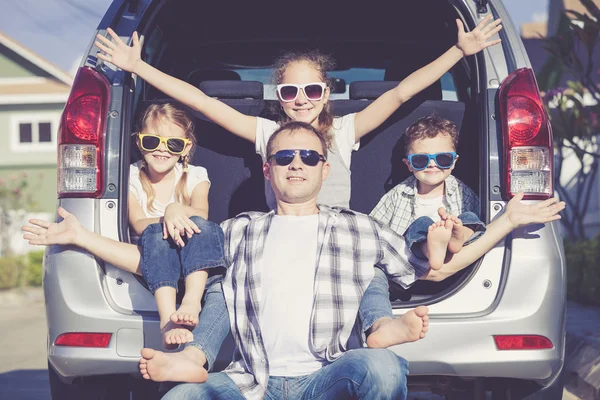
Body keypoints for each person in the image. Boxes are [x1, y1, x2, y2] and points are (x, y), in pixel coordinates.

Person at [24, 122, 565, 400]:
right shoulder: (236, 231)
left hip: (326, 377)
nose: (297, 164)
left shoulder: (360, 227)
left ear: (324, 167)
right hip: (247, 382)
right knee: (184, 395)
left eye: (308, 156)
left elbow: (437, 269)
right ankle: (195, 363)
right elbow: (148, 259)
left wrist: (509, 222)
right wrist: (78, 235)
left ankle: (381, 334)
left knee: (381, 365)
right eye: (285, 156)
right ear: (268, 168)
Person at [93, 14, 504, 348]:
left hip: (339, 243)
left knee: (371, 275)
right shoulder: (266, 134)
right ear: (279, 96)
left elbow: (399, 95)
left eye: (311, 89)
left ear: (326, 93)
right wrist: (138, 67)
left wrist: (458, 51)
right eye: (290, 91)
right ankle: (196, 347)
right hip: (280, 243)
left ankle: (382, 327)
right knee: (229, 278)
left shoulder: (343, 132)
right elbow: (202, 102)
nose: (301, 98)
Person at [128, 103, 225, 348]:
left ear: (185, 148)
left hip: (192, 251)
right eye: (152, 141)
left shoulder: (195, 176)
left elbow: (201, 212)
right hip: (155, 250)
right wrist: (166, 218)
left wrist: (175, 209)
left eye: (173, 144)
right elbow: (139, 223)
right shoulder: (130, 177)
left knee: (205, 226)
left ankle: (192, 300)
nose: (162, 149)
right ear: (139, 142)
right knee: (154, 233)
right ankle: (168, 317)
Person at [371, 114, 485, 271]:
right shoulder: (397, 195)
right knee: (420, 225)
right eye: (421, 160)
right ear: (408, 164)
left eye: (443, 159)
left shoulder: (462, 191)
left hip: (458, 263)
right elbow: (373, 229)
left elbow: (482, 222)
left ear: (454, 162)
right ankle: (429, 249)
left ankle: (459, 237)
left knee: (470, 219)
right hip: (411, 265)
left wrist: (460, 229)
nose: (432, 164)